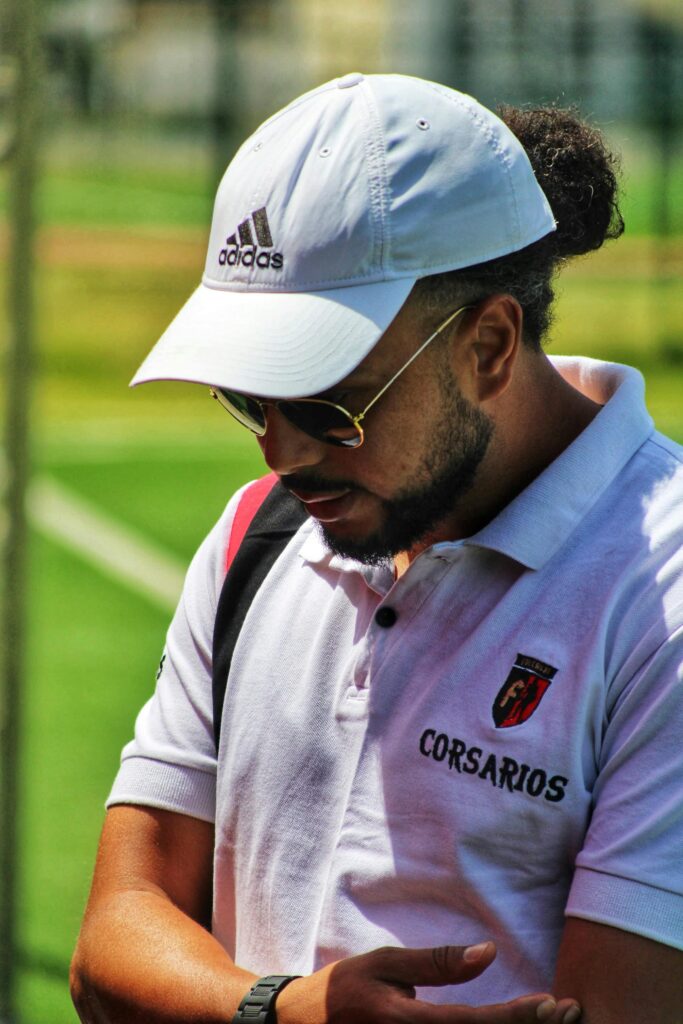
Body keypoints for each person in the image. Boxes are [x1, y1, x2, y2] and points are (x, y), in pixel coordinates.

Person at [70, 73, 683, 1024]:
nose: (280, 449)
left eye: (330, 405)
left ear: (487, 344)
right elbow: (115, 938)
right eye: (248, 399)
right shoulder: (256, 533)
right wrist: (285, 1011)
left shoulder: (663, 595)